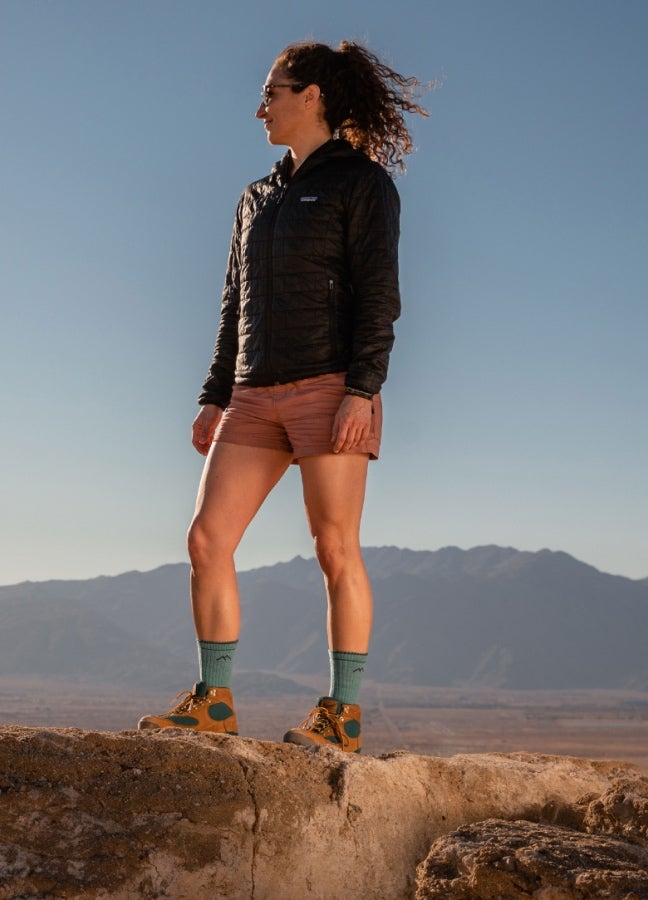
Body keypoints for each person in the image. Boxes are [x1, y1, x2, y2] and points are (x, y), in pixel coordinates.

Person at [139, 40, 427, 753]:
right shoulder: (256, 198)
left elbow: (379, 299)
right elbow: (233, 305)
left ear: (314, 97)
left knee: (335, 548)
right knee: (206, 539)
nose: (260, 104)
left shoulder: (361, 184)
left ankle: (343, 715)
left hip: (331, 388)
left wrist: (362, 390)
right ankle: (213, 701)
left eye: (274, 91)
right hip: (252, 393)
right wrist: (214, 394)